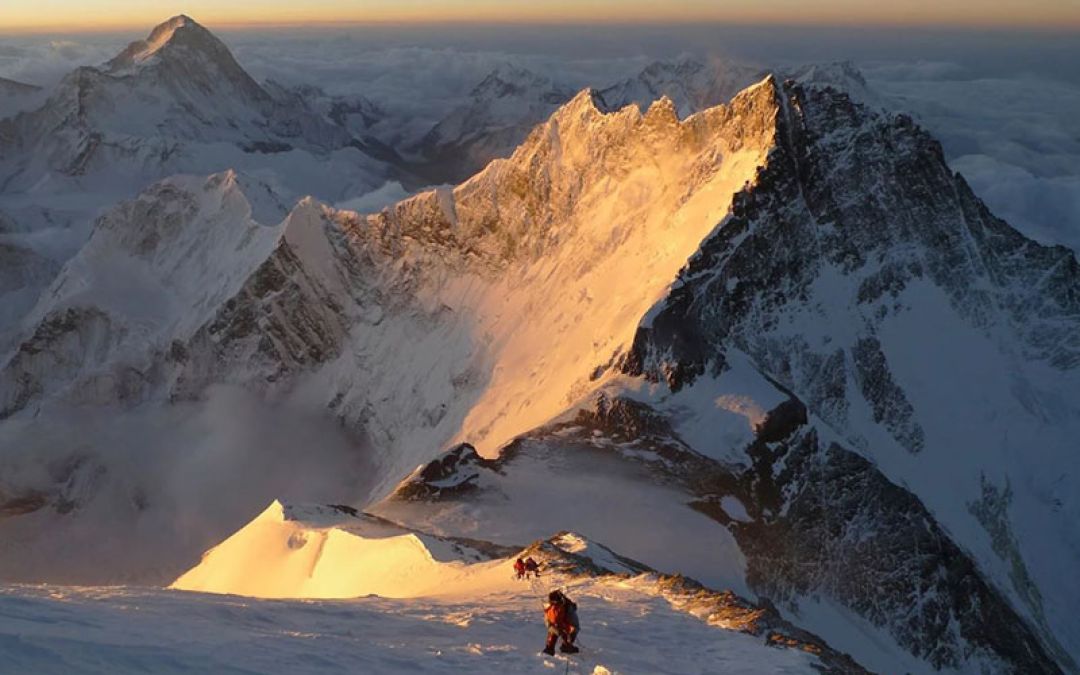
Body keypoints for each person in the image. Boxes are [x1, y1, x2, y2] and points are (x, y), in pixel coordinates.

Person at [542, 590, 580, 655]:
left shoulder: (562, 607)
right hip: (562, 623)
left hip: (564, 623)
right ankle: (561, 646)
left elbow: (548, 622)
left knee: (556, 629)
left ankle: (552, 648)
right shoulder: (559, 607)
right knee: (556, 629)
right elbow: (549, 622)